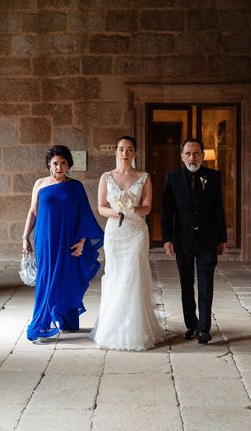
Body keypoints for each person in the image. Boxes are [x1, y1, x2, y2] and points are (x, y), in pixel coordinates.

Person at [22, 145, 104, 343]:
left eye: (63, 163)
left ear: (69, 166)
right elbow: (33, 211)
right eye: (55, 163)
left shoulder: (76, 187)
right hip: (45, 239)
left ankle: (66, 319)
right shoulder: (40, 184)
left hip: (68, 239)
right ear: (49, 165)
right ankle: (41, 323)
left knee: (66, 276)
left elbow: (84, 215)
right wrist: (25, 236)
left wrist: (83, 240)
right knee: (46, 279)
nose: (59, 167)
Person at [90, 136, 166, 350]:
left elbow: (148, 207)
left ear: (135, 154)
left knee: (133, 277)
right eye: (121, 149)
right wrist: (114, 212)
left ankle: (136, 329)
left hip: (136, 233)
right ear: (116, 152)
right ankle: (112, 326)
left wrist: (131, 209)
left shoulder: (144, 177)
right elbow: (101, 207)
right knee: (115, 276)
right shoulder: (106, 177)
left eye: (129, 149)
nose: (125, 153)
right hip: (115, 233)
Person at [161, 138, 227, 344]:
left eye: (196, 153)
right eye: (188, 153)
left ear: (202, 155)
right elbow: (167, 211)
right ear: (182, 156)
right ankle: (191, 324)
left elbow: (219, 209)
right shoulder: (172, 178)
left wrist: (222, 238)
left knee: (206, 284)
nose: (192, 157)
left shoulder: (213, 176)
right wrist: (167, 239)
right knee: (186, 284)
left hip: (208, 239)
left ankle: (204, 329)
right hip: (182, 240)